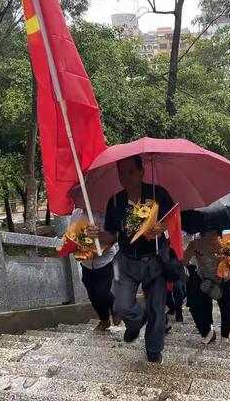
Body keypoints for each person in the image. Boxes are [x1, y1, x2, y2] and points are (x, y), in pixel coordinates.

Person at [87, 155, 174, 364]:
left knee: (156, 307)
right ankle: (135, 323)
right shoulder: (115, 201)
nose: (125, 177)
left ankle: (153, 351)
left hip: (155, 259)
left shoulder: (158, 194)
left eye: (130, 172)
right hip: (126, 260)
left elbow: (175, 218)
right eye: (121, 173)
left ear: (142, 172)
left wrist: (162, 227)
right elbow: (112, 236)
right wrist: (98, 234)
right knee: (122, 304)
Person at [71, 208, 120, 332]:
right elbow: (72, 234)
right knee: (93, 296)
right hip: (86, 262)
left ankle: (115, 307)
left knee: (102, 293)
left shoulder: (106, 212)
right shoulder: (77, 214)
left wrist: (100, 237)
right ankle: (104, 320)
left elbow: (115, 236)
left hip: (105, 261)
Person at [184, 229, 230, 344]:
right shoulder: (196, 243)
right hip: (203, 278)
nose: (212, 236)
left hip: (223, 280)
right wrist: (189, 250)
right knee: (194, 305)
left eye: (214, 233)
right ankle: (207, 332)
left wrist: (225, 258)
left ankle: (225, 336)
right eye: (208, 233)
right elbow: (184, 261)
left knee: (226, 308)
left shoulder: (226, 243)